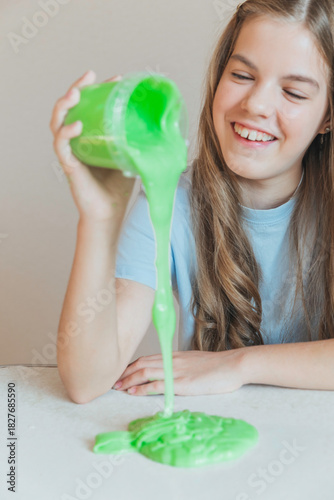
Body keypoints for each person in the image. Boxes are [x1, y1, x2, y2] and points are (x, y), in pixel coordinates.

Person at [50, 0, 334, 404]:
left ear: (328, 116)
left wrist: (239, 365)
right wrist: (99, 219)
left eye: (292, 91)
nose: (255, 105)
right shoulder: (171, 199)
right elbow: (86, 380)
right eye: (241, 75)